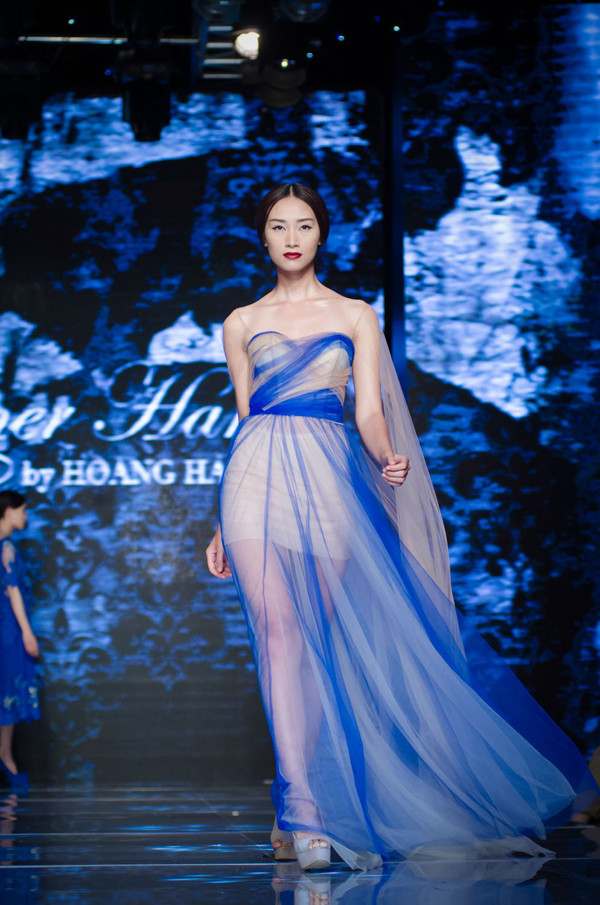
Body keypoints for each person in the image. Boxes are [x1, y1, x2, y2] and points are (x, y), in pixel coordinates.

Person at [206, 183, 596, 870]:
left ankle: (299, 794)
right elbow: (246, 419)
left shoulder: (355, 315)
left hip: (327, 478)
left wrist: (387, 455)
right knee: (277, 633)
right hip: (254, 475)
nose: (291, 237)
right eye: (278, 226)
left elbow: (368, 410)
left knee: (315, 645)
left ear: (321, 234)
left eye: (304, 225)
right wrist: (217, 520)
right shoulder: (241, 321)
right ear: (262, 236)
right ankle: (304, 806)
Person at [0, 490, 40, 787]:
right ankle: (5, 757)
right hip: (8, 630)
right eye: (23, 510)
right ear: (9, 511)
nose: (25, 516)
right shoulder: (6, 546)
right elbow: (13, 590)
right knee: (8, 690)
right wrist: (27, 631)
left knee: (7, 692)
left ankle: (5, 757)